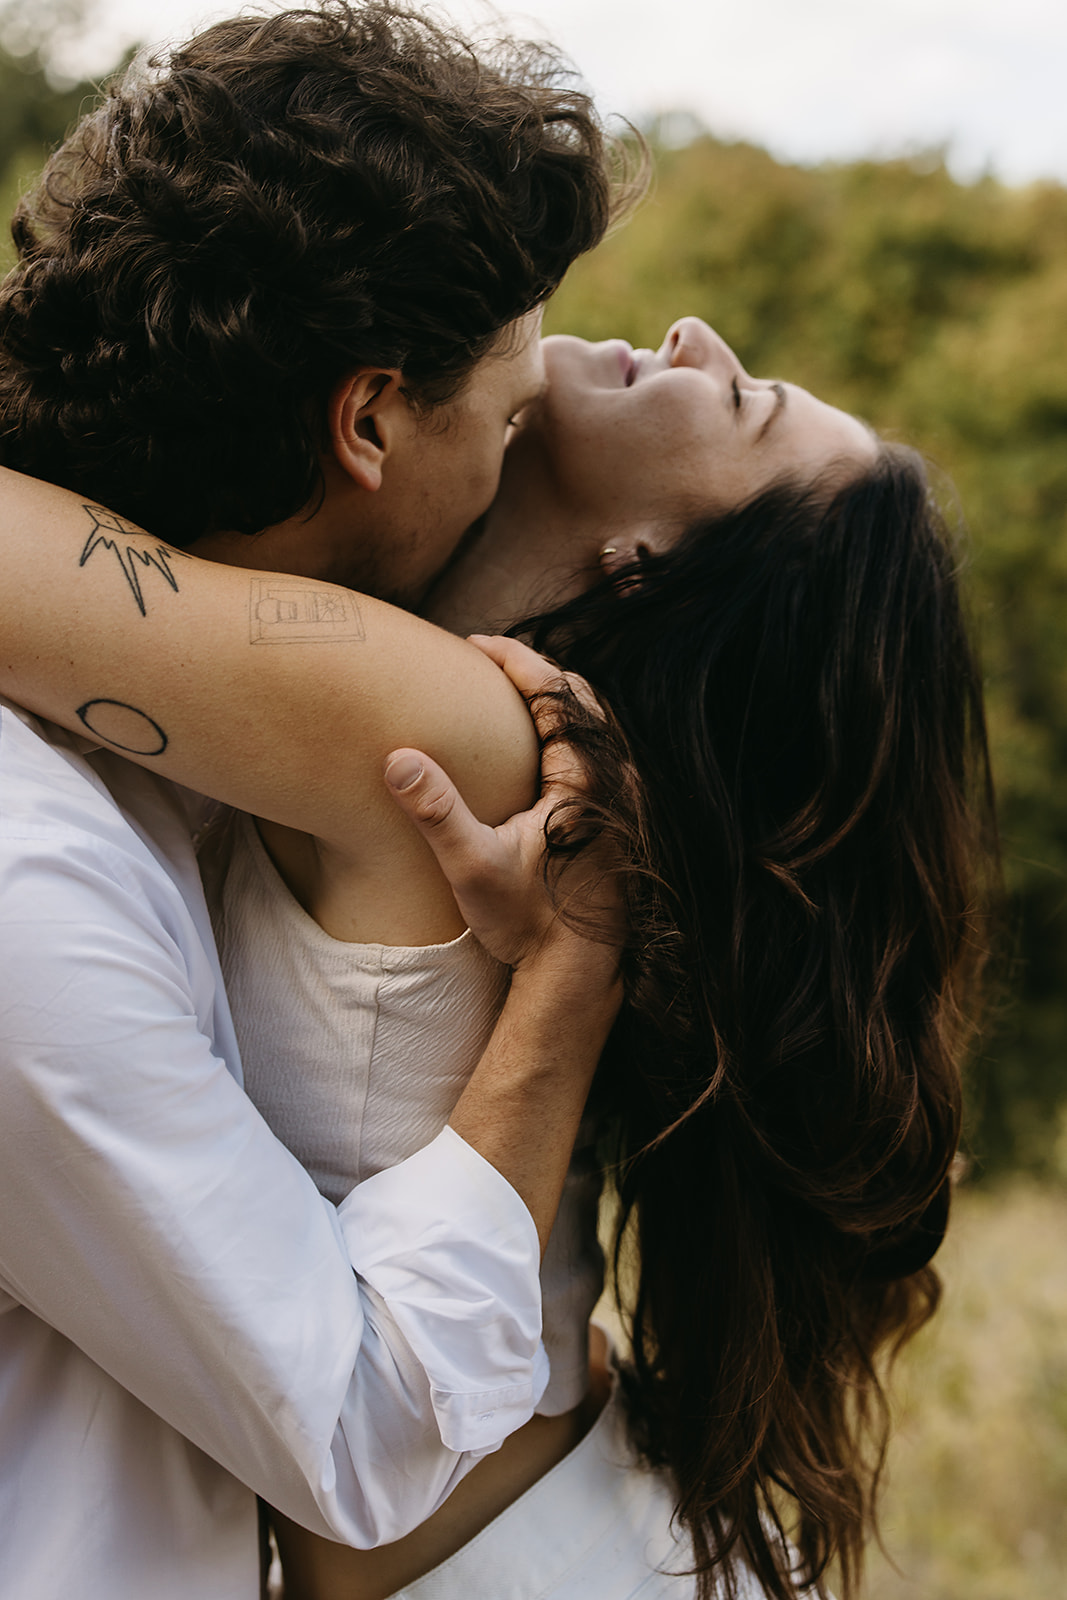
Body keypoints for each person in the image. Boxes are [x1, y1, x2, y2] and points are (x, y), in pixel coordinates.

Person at [0, 313, 997, 1600]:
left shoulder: (459, 732)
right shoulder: (548, 792)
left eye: (740, 402)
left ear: (644, 563)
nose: (694, 336)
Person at [0, 4, 639, 1598]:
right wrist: (571, 983)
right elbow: (356, 1433)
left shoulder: (183, 770)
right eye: (497, 418)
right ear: (364, 421)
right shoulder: (33, 869)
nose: (514, 450)